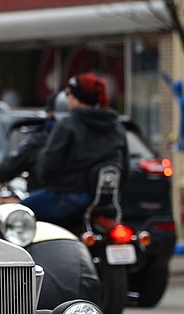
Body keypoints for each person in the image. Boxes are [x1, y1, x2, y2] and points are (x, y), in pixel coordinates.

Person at [20, 73, 128, 226]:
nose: (67, 98)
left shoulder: (68, 125)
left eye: (68, 94)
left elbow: (48, 164)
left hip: (68, 199)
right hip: (109, 203)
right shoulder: (117, 127)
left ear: (76, 97)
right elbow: (126, 170)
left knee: (17, 214)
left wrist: (47, 180)